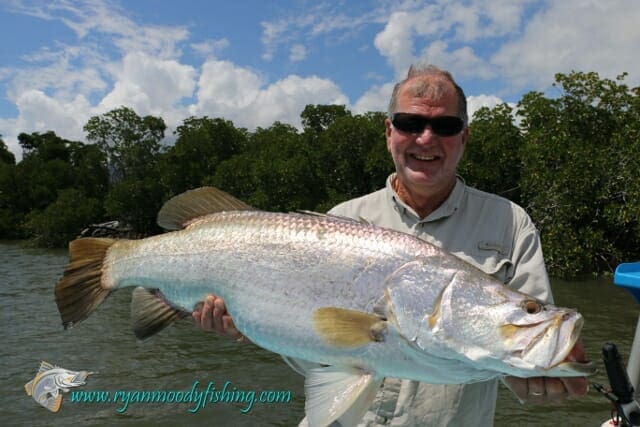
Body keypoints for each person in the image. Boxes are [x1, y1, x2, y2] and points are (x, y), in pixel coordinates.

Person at [192, 63, 589, 425]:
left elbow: (519, 359)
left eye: (445, 126)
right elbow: (315, 354)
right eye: (409, 123)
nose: (426, 137)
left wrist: (535, 377)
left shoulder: (510, 224)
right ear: (389, 133)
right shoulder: (340, 224)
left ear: (464, 138)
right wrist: (250, 323)